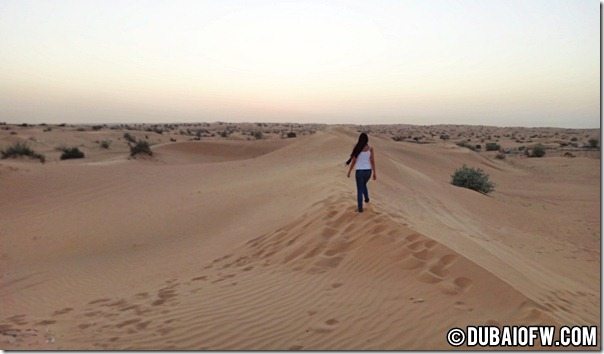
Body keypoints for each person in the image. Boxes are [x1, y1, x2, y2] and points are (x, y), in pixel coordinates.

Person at [346, 133, 376, 212]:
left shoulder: (357, 148)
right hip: (368, 172)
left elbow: (354, 161)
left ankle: (360, 208)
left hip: (360, 172)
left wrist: (349, 171)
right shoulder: (370, 148)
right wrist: (374, 172)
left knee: (359, 189)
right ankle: (366, 199)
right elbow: (372, 161)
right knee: (363, 185)